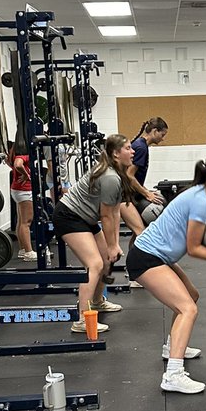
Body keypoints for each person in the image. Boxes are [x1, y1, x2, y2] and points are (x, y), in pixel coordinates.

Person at [125, 151, 206, 394]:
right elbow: (194, 248)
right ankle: (173, 374)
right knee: (188, 308)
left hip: (158, 255)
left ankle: (172, 346)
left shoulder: (198, 193)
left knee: (191, 296)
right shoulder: (200, 200)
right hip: (146, 257)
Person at [51, 134, 135, 334]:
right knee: (95, 264)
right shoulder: (110, 177)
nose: (133, 152)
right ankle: (81, 319)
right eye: (128, 148)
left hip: (85, 218)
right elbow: (106, 216)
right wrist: (113, 244)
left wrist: (113, 245)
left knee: (106, 260)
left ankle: (97, 302)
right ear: (116, 154)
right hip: (69, 216)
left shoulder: (118, 174)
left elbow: (115, 211)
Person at [7, 143, 36, 261]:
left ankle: (23, 250)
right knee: (26, 222)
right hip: (24, 190)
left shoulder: (15, 148)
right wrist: (26, 175)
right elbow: (17, 164)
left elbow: (9, 161)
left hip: (18, 189)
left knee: (21, 221)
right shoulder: (23, 152)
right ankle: (29, 252)